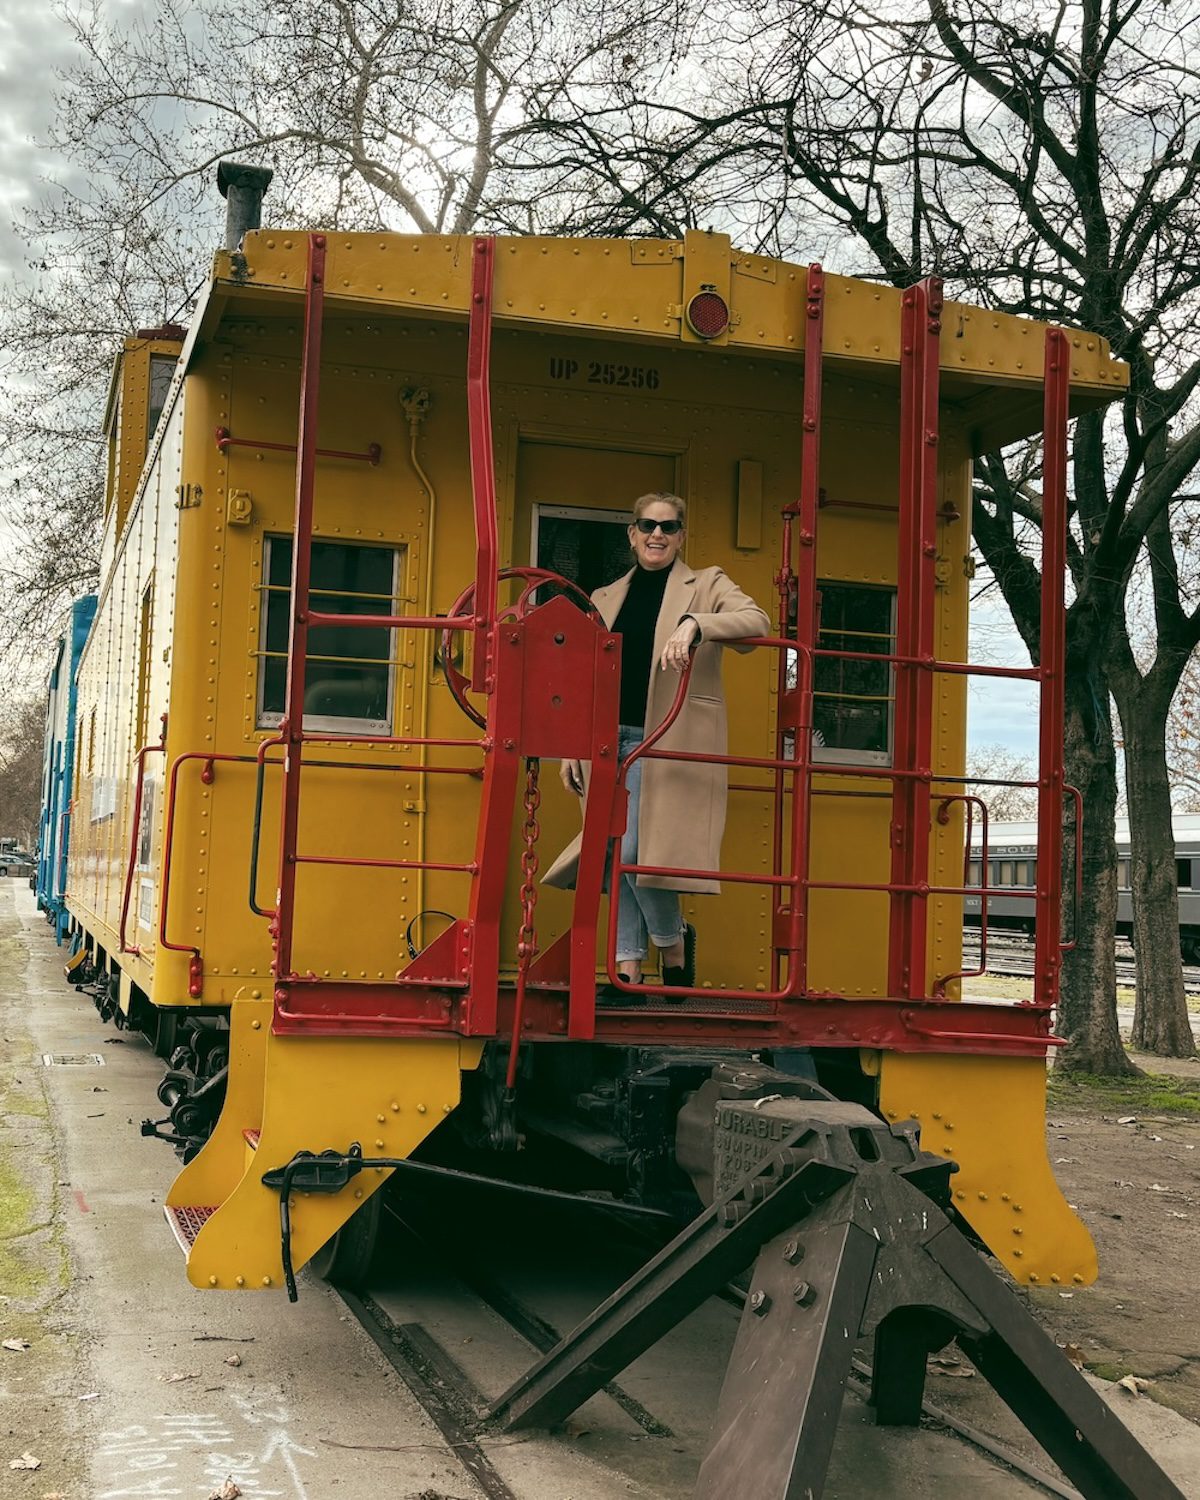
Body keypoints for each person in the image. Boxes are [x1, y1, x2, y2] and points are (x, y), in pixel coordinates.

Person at [543, 492, 770, 997]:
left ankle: (670, 943)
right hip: (606, 740)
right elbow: (585, 678)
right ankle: (627, 971)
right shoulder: (604, 597)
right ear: (632, 534)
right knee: (613, 850)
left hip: (662, 739)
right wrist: (572, 747)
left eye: (668, 527)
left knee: (634, 849)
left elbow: (756, 621)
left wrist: (697, 624)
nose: (657, 535)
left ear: (681, 535)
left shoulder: (706, 584)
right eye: (647, 525)